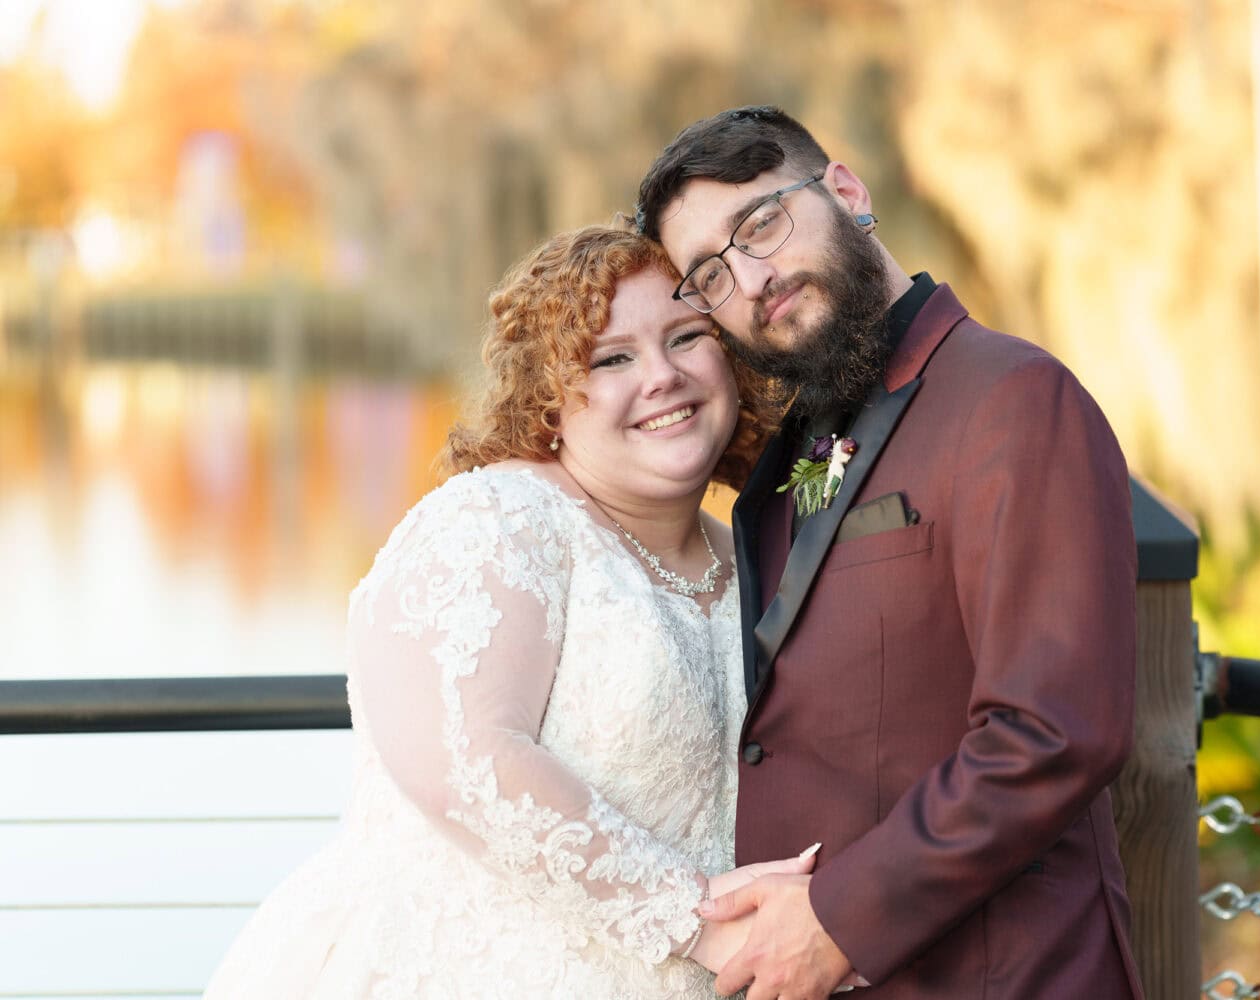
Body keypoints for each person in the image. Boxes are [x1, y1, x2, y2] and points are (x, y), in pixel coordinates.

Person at [203, 226, 819, 998]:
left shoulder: (752, 556)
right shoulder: (497, 521)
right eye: (612, 357)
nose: (661, 375)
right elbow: (464, 761)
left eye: (687, 336)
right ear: (549, 398)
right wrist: (699, 920)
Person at [636, 106, 1144, 999]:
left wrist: (839, 919)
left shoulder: (1014, 399)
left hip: (1002, 976)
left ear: (845, 191)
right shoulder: (796, 443)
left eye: (760, 224)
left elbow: (1055, 731)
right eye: (709, 275)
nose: (751, 279)